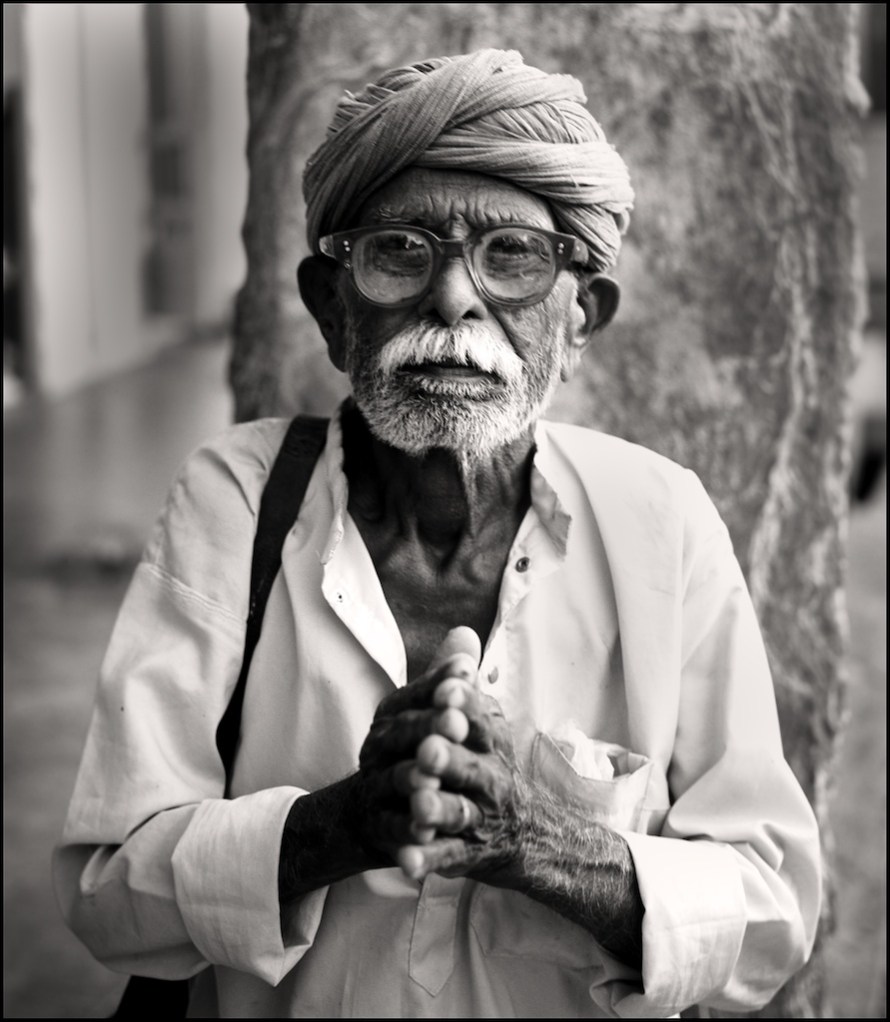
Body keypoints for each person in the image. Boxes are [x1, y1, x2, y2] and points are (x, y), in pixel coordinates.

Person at [54, 49, 821, 1018]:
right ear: (332, 310)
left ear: (578, 318)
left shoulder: (661, 519)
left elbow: (773, 909)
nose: (453, 298)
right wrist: (338, 824)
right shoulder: (232, 498)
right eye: (400, 251)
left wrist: (538, 841)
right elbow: (106, 889)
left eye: (509, 255)